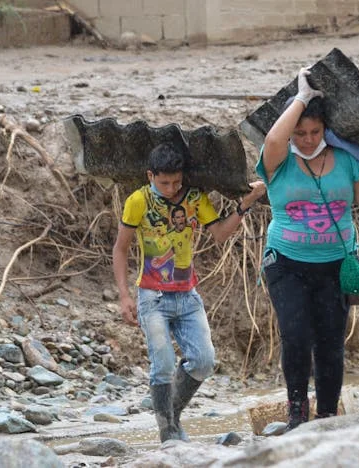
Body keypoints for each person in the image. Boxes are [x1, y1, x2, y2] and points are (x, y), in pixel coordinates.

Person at [256, 67, 359, 430]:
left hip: (334, 265)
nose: (309, 140)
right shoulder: (278, 162)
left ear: (325, 129)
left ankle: (326, 418)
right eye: (301, 133)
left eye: (315, 132)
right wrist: (301, 98)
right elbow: (274, 142)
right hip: (285, 262)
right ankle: (297, 414)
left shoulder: (346, 159)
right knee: (295, 337)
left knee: (330, 342)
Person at [113, 143, 266, 442]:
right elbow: (120, 249)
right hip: (151, 296)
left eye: (176, 182)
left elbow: (220, 234)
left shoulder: (195, 199)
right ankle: (168, 433)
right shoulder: (138, 201)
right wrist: (123, 295)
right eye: (164, 182)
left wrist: (244, 205)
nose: (171, 189)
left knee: (204, 360)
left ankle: (171, 414)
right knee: (164, 364)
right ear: (150, 176)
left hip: (187, 295)